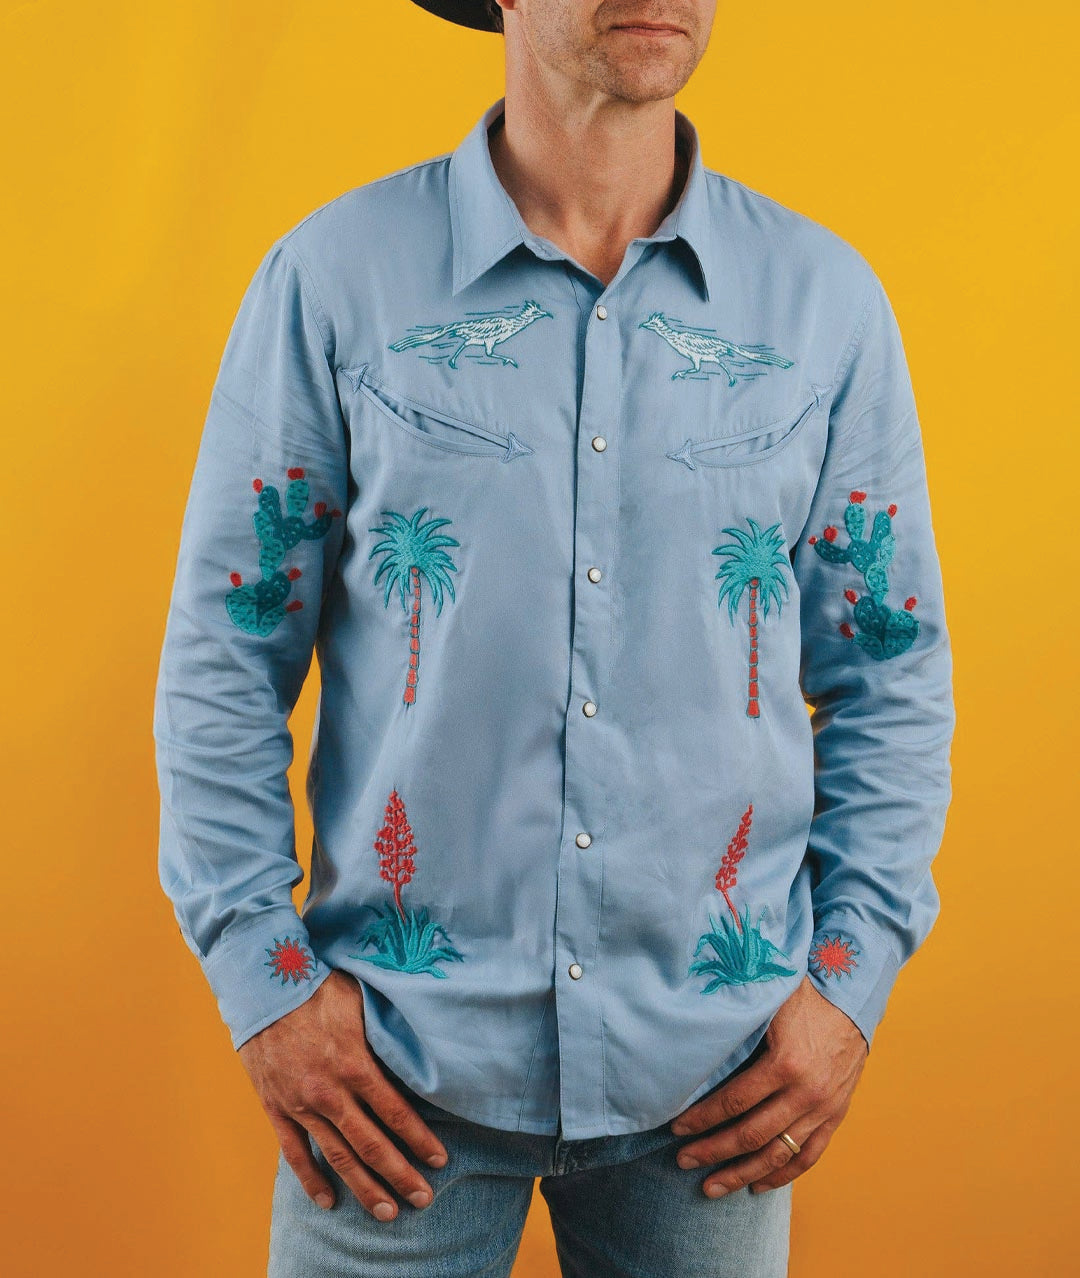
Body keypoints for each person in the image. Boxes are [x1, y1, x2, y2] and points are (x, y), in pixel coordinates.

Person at [152, 1, 955, 1273]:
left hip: (718, 1085)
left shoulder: (824, 308)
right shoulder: (335, 280)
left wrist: (847, 990)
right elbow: (225, 657)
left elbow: (891, 675)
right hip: (394, 1081)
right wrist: (267, 990)